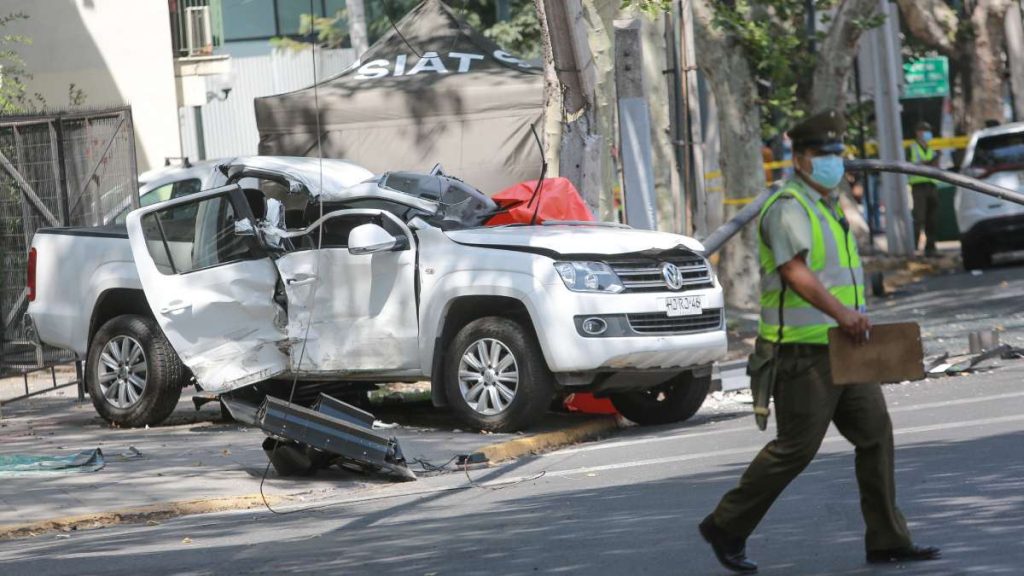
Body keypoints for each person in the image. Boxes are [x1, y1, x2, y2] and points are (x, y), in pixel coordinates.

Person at [697, 110, 940, 574]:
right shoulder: (789, 206)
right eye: (823, 154)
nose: (834, 161)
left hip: (846, 348)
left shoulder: (827, 206)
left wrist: (852, 318)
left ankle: (888, 539)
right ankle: (725, 525)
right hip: (803, 352)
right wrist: (843, 313)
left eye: (837, 153)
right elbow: (795, 271)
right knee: (795, 448)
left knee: (875, 435)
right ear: (801, 159)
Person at [908, 121, 941, 256]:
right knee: (919, 218)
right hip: (919, 186)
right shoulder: (912, 148)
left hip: (932, 185)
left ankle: (931, 248)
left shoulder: (931, 148)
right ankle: (914, 249)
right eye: (924, 131)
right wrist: (932, 160)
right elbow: (916, 164)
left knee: (931, 219)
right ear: (918, 132)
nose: (927, 134)